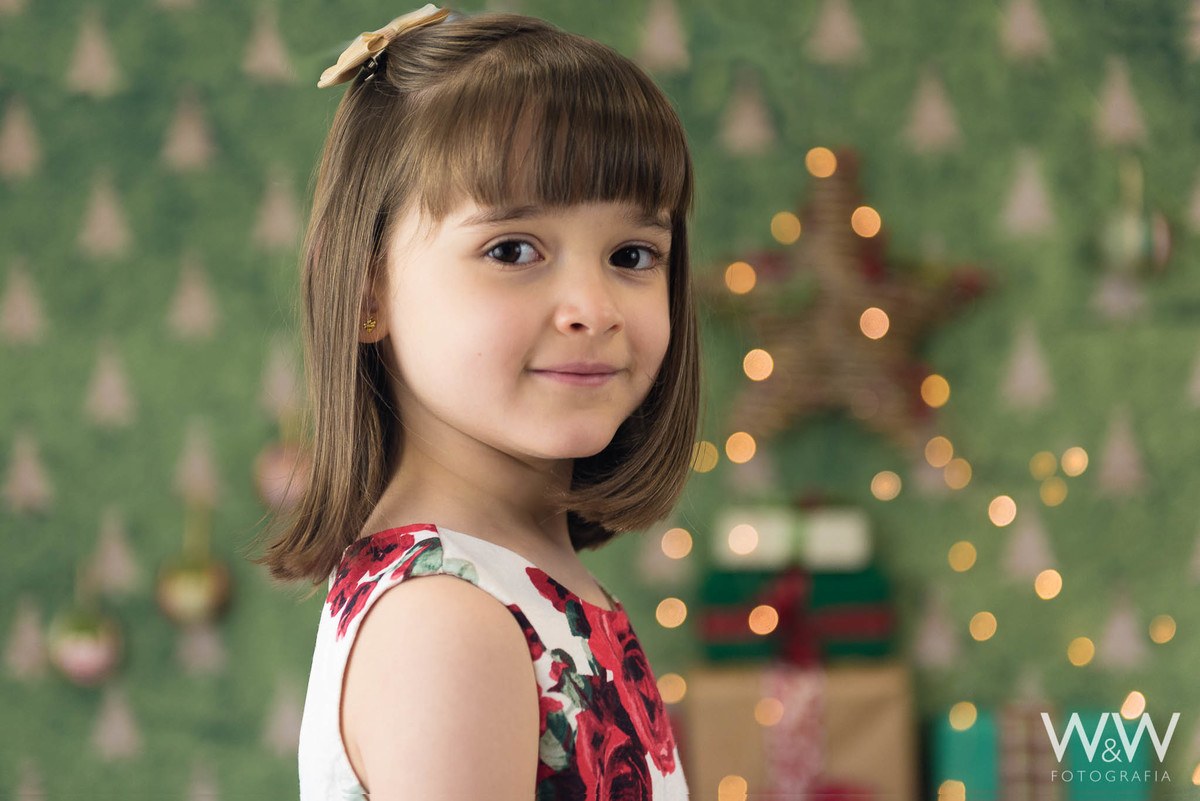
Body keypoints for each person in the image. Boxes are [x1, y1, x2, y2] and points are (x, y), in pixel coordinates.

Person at [250, 4, 700, 798]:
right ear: (364, 289)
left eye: (633, 254)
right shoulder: (446, 624)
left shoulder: (521, 579)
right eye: (513, 249)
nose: (593, 307)